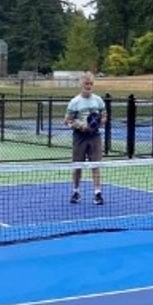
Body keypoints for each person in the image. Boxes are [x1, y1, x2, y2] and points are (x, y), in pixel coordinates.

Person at [64, 72, 107, 205]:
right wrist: (80, 125)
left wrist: (96, 124)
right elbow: (67, 120)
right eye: (86, 84)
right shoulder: (74, 102)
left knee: (95, 165)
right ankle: (76, 192)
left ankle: (97, 193)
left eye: (90, 84)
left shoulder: (98, 100)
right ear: (81, 84)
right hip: (80, 137)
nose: (88, 86)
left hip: (94, 136)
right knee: (77, 166)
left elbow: (105, 117)